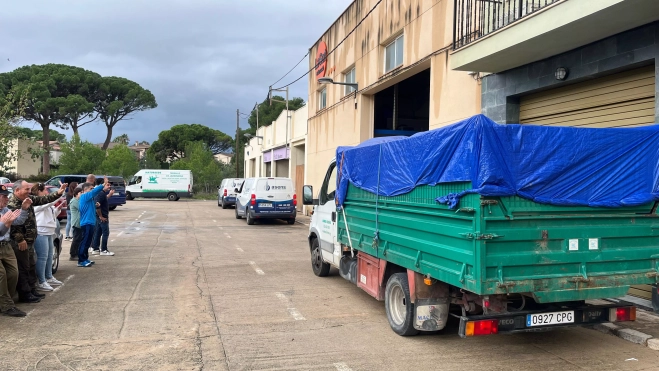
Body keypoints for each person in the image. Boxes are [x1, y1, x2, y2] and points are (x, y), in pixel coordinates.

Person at [8, 180, 66, 303]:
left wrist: (59, 193)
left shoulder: (28, 198)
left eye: (29, 189)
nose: (29, 192)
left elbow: (43, 200)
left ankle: (32, 289)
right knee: (23, 268)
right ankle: (25, 294)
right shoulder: (13, 204)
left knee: (30, 265)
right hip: (21, 242)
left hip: (29, 240)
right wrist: (20, 239)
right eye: (26, 189)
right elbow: (13, 225)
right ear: (17, 190)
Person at [0, 185, 30, 317]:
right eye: (4, 196)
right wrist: (5, 224)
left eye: (7, 196)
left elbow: (19, 221)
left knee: (13, 273)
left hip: (5, 246)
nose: (7, 199)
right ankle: (7, 306)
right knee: (1, 276)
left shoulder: (5, 209)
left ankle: (6, 302)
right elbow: (1, 230)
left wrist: (23, 209)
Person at [31, 184, 63, 292]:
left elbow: (51, 214)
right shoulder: (36, 203)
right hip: (41, 231)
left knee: (50, 255)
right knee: (42, 257)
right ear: (38, 192)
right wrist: (58, 194)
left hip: (49, 231)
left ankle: (49, 277)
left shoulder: (45, 203)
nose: (47, 192)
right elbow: (47, 203)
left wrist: (57, 210)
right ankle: (41, 281)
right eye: (44, 190)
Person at [78, 179, 110, 267]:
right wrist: (103, 184)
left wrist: (96, 205)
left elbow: (90, 206)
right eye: (91, 188)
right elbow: (95, 192)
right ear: (86, 189)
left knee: (88, 242)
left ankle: (85, 258)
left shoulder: (89, 199)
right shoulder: (85, 196)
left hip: (90, 223)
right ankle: (81, 260)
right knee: (84, 242)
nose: (92, 190)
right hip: (86, 223)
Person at [91, 186, 115, 256]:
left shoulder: (101, 193)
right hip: (103, 216)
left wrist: (109, 195)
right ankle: (104, 250)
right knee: (106, 232)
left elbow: (102, 201)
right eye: (107, 185)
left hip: (100, 216)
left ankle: (95, 248)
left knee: (98, 232)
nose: (109, 187)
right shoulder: (100, 193)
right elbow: (97, 205)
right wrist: (101, 216)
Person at [69, 188, 82, 261]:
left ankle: (77, 253)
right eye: (81, 192)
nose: (82, 194)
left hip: (80, 223)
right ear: (77, 193)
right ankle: (73, 254)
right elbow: (81, 208)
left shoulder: (78, 200)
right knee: (76, 239)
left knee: (79, 239)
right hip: (76, 223)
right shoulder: (74, 201)